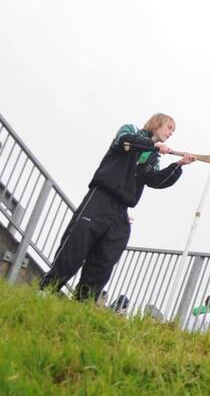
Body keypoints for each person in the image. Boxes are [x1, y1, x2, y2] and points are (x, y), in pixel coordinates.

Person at [39, 115, 194, 300]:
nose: (171, 133)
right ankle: (46, 290)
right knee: (75, 247)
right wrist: (152, 145)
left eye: (173, 131)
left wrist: (178, 165)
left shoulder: (152, 157)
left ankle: (83, 304)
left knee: (105, 259)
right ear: (156, 123)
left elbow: (155, 180)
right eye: (169, 127)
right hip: (100, 199)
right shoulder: (130, 131)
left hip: (121, 211)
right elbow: (124, 142)